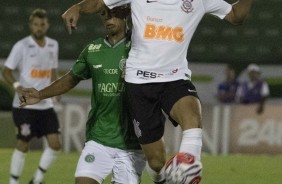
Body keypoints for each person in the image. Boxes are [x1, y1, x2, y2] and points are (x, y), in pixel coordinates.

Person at [61, 0, 253, 183]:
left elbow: (237, 15)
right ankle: (161, 179)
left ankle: (189, 166)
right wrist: (77, 7)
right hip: (139, 83)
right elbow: (98, 3)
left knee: (192, 113)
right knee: (156, 161)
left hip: (175, 78)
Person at [20, 5, 146, 184]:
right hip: (99, 139)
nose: (108, 19)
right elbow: (71, 78)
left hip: (132, 145)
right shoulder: (93, 49)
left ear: (125, 14)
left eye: (113, 14)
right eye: (104, 14)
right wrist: (40, 95)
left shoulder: (139, 48)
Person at [2, 9, 61, 184]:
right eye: (36, 24)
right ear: (31, 26)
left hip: (45, 105)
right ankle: (13, 182)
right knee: (23, 143)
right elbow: (6, 71)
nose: (39, 28)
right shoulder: (21, 46)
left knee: (55, 144)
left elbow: (52, 73)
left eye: (42, 24)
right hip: (24, 106)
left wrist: (56, 93)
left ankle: (37, 180)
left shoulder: (53, 45)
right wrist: (17, 86)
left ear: (47, 25)